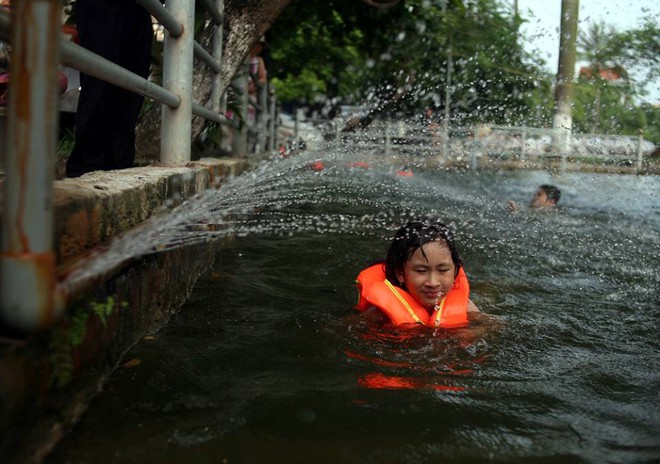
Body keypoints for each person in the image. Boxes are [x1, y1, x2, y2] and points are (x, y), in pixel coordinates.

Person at [65, 0, 152, 178]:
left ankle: (119, 168)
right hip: (102, 6)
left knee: (132, 93)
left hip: (142, 9)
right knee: (98, 88)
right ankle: (84, 171)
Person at [355, 219, 480, 328]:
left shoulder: (468, 311)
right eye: (421, 271)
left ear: (455, 271)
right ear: (400, 273)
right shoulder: (378, 315)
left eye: (442, 270)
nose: (433, 282)